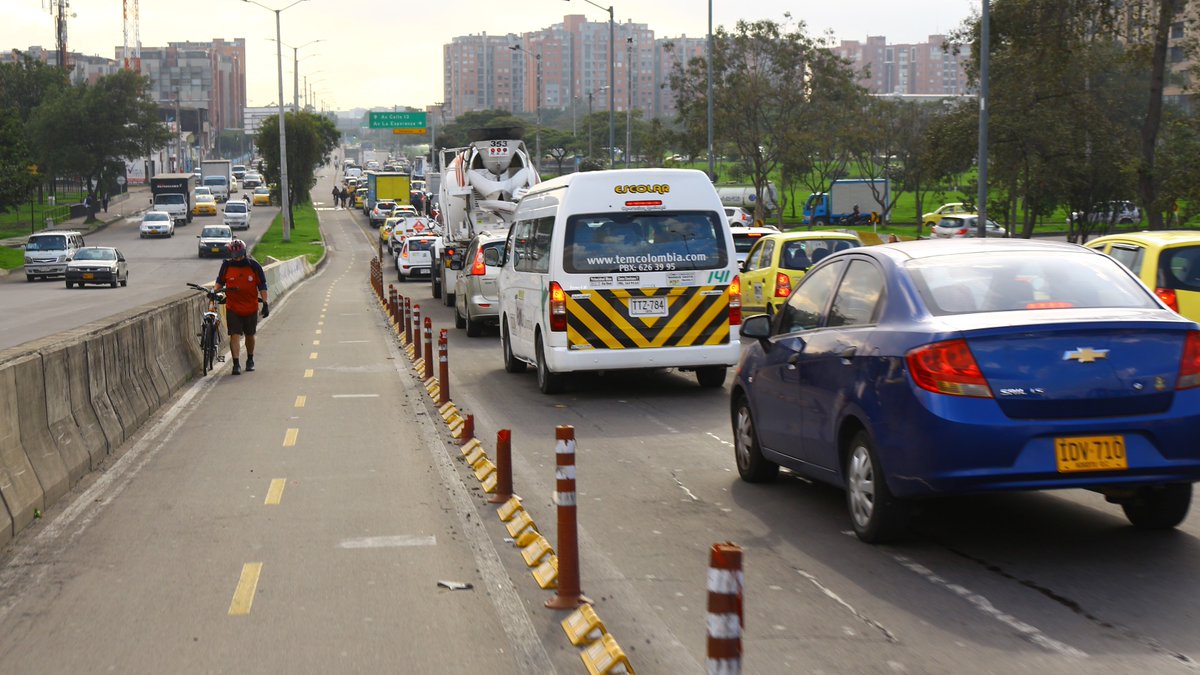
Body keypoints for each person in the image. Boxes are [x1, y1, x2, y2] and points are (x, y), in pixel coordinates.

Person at [214, 239, 269, 375]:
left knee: (250, 335)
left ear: (244, 253)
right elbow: (220, 282)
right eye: (234, 255)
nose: (237, 258)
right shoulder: (226, 266)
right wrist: (214, 292)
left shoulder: (254, 266)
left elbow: (262, 285)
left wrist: (265, 303)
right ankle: (236, 364)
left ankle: (250, 360)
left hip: (250, 307)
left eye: (239, 254)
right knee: (234, 335)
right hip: (233, 307)